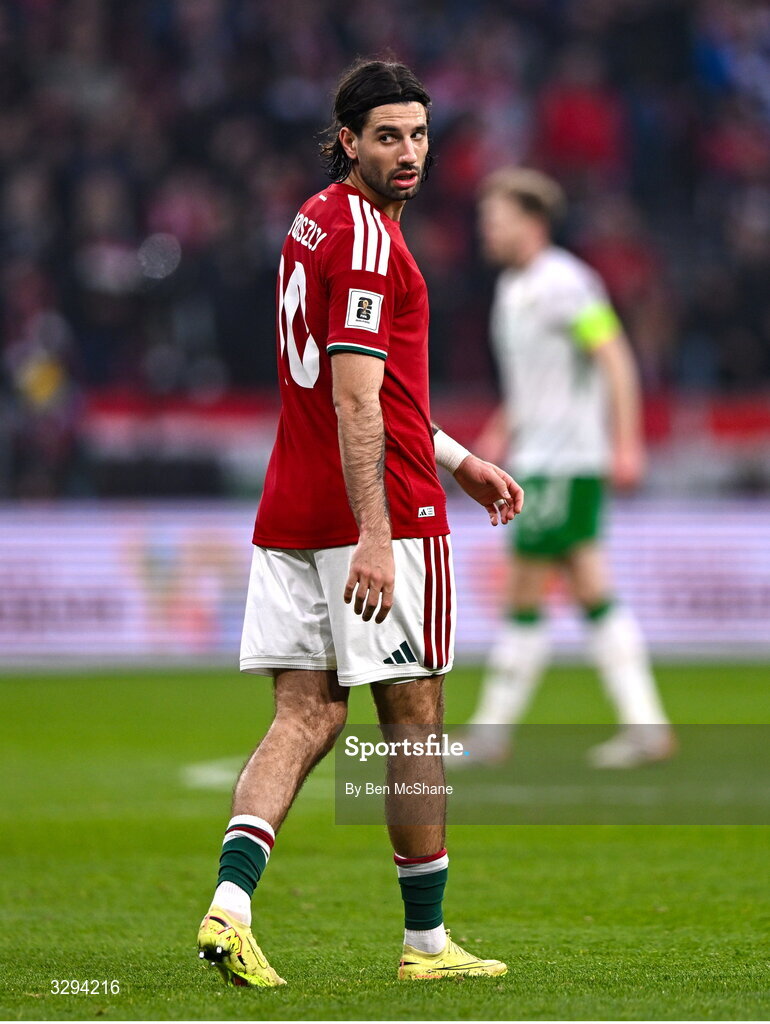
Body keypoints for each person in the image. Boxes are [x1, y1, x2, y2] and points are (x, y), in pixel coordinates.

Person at [195, 59, 523, 988]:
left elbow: (373, 389)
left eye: (419, 134)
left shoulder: (312, 221)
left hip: (289, 505)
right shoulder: (373, 240)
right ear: (347, 139)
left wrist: (461, 458)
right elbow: (356, 403)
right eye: (387, 136)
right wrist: (380, 532)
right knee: (413, 724)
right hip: (376, 511)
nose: (409, 152)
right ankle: (427, 944)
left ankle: (232, 904)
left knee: (303, 715)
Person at [463, 167, 675, 769]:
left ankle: (491, 732)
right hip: (541, 458)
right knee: (588, 587)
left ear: (532, 222)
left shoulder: (566, 283)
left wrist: (627, 443)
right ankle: (646, 726)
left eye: (496, 220)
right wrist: (504, 428)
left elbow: (615, 359)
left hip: (564, 462)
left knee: (527, 589)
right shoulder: (514, 288)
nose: (487, 230)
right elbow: (536, 383)